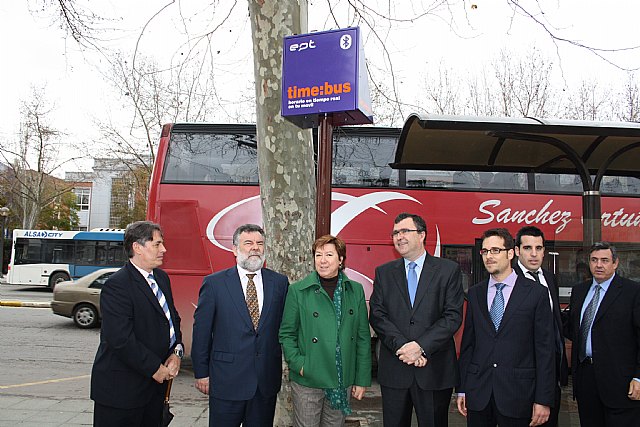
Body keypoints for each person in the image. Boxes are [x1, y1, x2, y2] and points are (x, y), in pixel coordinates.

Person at [369, 212, 464, 427]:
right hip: (395, 368)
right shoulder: (384, 273)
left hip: (433, 370)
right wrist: (404, 347)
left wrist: (421, 347)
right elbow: (377, 314)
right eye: (395, 233)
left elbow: (452, 316)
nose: (399, 237)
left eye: (404, 231)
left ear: (421, 235)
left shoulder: (448, 271)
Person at [191, 224, 289, 427]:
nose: (255, 248)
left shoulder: (279, 283)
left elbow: (285, 327)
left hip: (265, 384)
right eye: (248, 243)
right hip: (226, 381)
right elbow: (201, 331)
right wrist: (201, 373)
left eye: (260, 244)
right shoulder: (214, 283)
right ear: (235, 249)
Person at [457, 227, 555, 427]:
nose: (489, 257)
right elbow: (469, 344)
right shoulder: (475, 293)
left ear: (511, 253)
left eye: (495, 250)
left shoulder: (536, 294)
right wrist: (463, 388)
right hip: (479, 394)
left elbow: (545, 351)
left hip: (518, 395)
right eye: (485, 251)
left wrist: (543, 399)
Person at [91, 221, 183, 427]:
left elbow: (172, 320)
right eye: (157, 244)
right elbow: (120, 339)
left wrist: (176, 352)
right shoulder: (117, 285)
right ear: (137, 247)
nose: (164, 249)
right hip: (121, 393)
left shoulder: (161, 278)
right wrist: (154, 368)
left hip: (154, 390)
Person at [279, 234, 371, 427]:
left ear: (341, 260)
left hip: (341, 378)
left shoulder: (355, 290)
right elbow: (287, 334)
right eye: (318, 255)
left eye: (329, 255)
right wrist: (300, 364)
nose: (322, 260)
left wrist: (361, 379)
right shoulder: (298, 291)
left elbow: (362, 338)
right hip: (308, 379)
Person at [566, 241, 640, 426]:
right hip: (586, 379)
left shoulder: (632, 292)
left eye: (605, 260)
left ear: (615, 263)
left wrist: (638, 377)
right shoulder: (579, 291)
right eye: (594, 260)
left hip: (620, 384)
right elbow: (572, 328)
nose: (599, 265)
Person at [513, 226, 568, 427]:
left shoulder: (549, 277)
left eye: (539, 248)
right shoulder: (510, 279)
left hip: (551, 372)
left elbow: (554, 323)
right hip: (522, 376)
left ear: (545, 250)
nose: (534, 254)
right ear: (517, 251)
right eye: (528, 248)